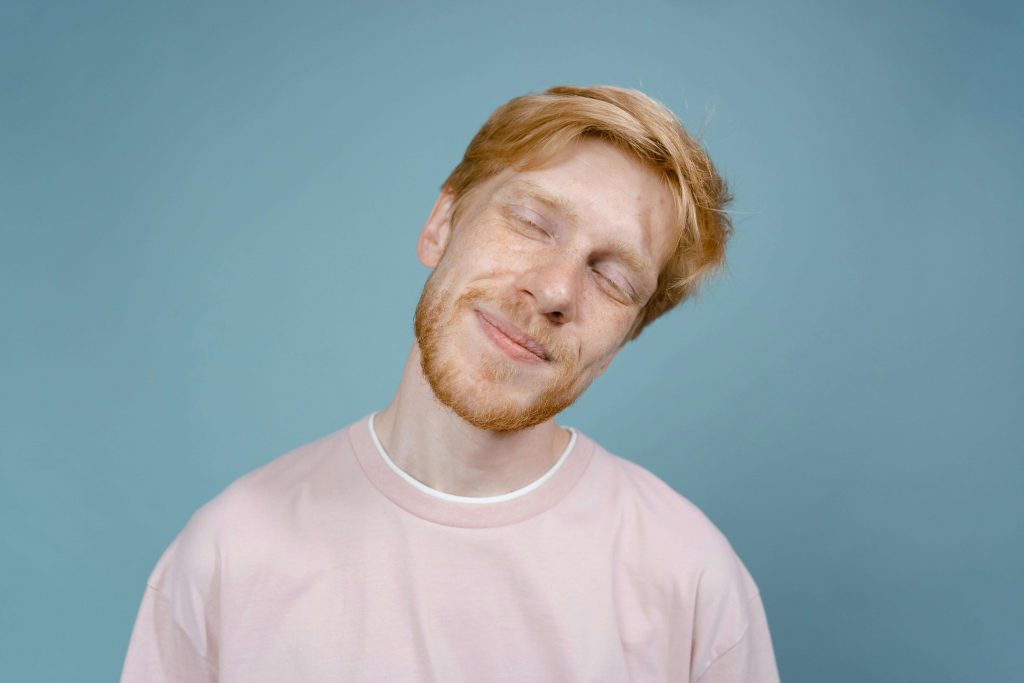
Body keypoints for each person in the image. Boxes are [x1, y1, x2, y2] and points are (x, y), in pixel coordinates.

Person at [120, 85, 780, 682]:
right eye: (532, 222)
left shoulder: (690, 581)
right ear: (442, 222)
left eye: (613, 278)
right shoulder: (227, 554)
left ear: (620, 342)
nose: (554, 289)